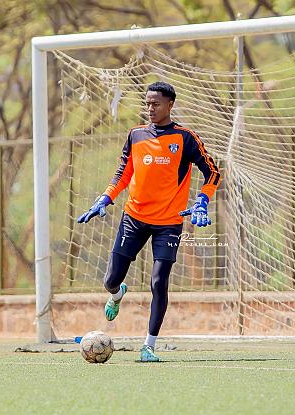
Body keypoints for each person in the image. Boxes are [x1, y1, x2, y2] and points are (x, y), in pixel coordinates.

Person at [77, 81, 221, 362]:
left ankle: (148, 346)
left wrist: (202, 201)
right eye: (147, 103)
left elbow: (213, 173)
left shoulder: (185, 138)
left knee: (159, 281)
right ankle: (117, 295)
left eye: (156, 103)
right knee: (111, 280)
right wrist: (105, 198)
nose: (150, 108)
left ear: (170, 105)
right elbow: (123, 173)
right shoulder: (136, 135)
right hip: (134, 218)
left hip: (169, 222)